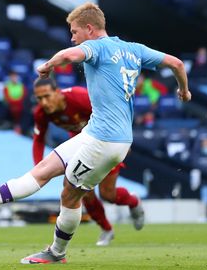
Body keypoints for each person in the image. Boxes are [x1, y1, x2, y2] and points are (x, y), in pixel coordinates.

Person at [0, 2, 191, 264]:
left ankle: (57, 252)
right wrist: (183, 91)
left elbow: (69, 56)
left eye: (74, 32)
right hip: (95, 132)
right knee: (43, 170)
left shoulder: (96, 47)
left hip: (106, 140)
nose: (73, 38)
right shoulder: (134, 49)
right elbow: (176, 63)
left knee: (70, 194)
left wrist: (48, 66)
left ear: (89, 28)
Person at [32, 77, 145, 247]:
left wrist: (123, 139)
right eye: (39, 99)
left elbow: (114, 112)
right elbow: (38, 140)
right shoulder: (41, 112)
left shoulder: (79, 98)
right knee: (83, 193)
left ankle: (133, 202)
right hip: (81, 150)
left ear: (57, 92)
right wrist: (39, 168)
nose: (44, 102)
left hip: (106, 143)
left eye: (47, 96)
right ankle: (107, 229)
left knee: (108, 195)